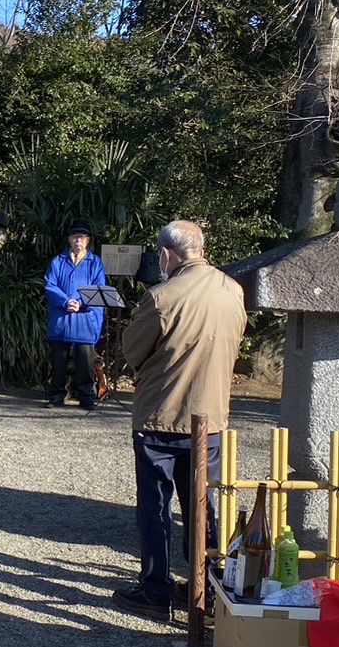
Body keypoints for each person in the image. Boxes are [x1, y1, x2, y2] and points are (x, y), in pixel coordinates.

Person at [114, 220, 246, 622]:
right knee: (202, 505)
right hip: (211, 418)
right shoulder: (233, 290)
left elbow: (132, 351)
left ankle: (156, 589)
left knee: (155, 507)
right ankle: (203, 585)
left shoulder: (161, 297)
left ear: (167, 254)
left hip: (162, 417)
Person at [42, 220, 107, 409]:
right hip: (62, 317)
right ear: (69, 239)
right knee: (58, 359)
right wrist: (65, 301)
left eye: (82, 237)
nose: (78, 240)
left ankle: (86, 396)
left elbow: (98, 287)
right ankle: (56, 396)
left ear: (88, 240)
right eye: (75, 236)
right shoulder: (58, 261)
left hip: (85, 318)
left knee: (85, 359)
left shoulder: (96, 263)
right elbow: (50, 285)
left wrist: (79, 302)